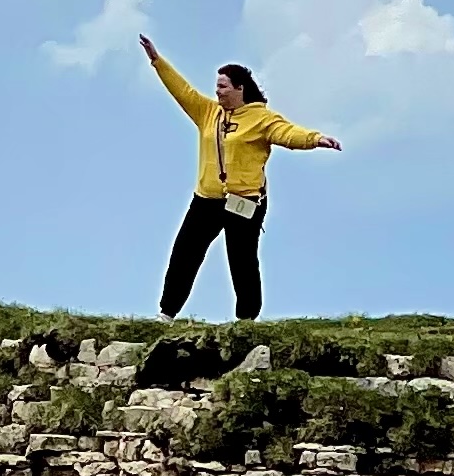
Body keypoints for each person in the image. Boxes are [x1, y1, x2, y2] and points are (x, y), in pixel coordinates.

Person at [143, 37, 338, 320]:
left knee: (242, 260)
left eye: (222, 86)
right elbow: (182, 90)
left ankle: (246, 320)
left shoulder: (262, 119)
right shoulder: (208, 112)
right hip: (206, 199)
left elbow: (288, 134)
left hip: (245, 201)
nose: (217, 91)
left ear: (239, 88)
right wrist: (157, 61)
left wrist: (316, 139)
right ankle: (166, 314)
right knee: (185, 254)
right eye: (217, 86)